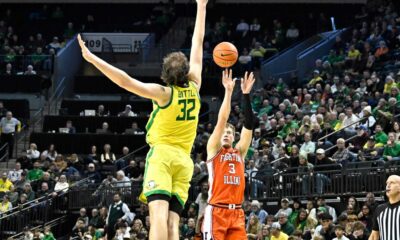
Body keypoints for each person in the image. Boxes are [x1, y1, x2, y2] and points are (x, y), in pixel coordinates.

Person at [78, 1, 207, 239]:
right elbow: (197, 43)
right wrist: (201, 6)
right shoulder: (196, 85)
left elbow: (124, 80)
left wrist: (93, 59)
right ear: (186, 71)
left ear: (165, 75)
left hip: (163, 156)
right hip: (184, 161)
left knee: (157, 216)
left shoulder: (163, 93)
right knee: (172, 223)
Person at [202, 70, 255, 240]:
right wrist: (229, 91)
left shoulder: (239, 152)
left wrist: (246, 94)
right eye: (223, 132)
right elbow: (222, 119)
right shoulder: (214, 148)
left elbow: (249, 124)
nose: (225, 134)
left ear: (234, 137)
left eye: (229, 133)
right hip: (217, 210)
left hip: (237, 213)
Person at [369, 175, 400, 240]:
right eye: (387, 183)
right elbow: (374, 235)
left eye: (392, 183)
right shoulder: (379, 209)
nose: (388, 186)